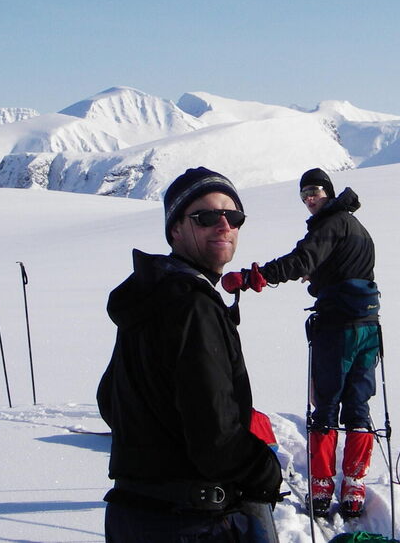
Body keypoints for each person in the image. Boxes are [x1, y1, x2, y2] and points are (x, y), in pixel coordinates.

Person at [97, 167, 283, 542]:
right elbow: (216, 438)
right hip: (191, 522)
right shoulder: (192, 306)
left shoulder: (151, 295)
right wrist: (265, 470)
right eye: (206, 217)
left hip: (132, 514)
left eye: (234, 216)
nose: (224, 225)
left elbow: (108, 400)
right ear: (176, 230)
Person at [223, 168, 381, 519]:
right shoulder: (355, 226)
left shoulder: (331, 224)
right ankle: (354, 485)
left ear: (328, 192)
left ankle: (322, 485)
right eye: (304, 194)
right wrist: (320, 276)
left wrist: (253, 277)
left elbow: (301, 260)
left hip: (337, 326)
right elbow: (345, 268)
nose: (309, 199)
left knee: (326, 403)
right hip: (369, 325)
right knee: (358, 404)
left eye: (314, 191)